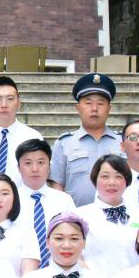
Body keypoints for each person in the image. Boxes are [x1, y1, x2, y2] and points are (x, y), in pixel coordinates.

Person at [50, 74, 122, 207]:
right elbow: (57, 185)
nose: (94, 108)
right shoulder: (64, 143)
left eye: (100, 103)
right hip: (76, 216)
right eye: (88, 103)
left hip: (116, 215)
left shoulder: (123, 142)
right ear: (78, 108)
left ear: (109, 108)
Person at [76, 154, 139, 278]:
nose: (112, 182)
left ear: (127, 181)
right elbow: (75, 257)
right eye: (105, 176)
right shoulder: (80, 216)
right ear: (95, 179)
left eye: (118, 176)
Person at [15, 139, 76, 270]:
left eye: (41, 162)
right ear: (18, 167)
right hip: (19, 271)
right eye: (28, 163)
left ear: (49, 166)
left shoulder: (64, 200)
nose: (35, 169)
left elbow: (75, 235)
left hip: (58, 272)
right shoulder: (10, 200)